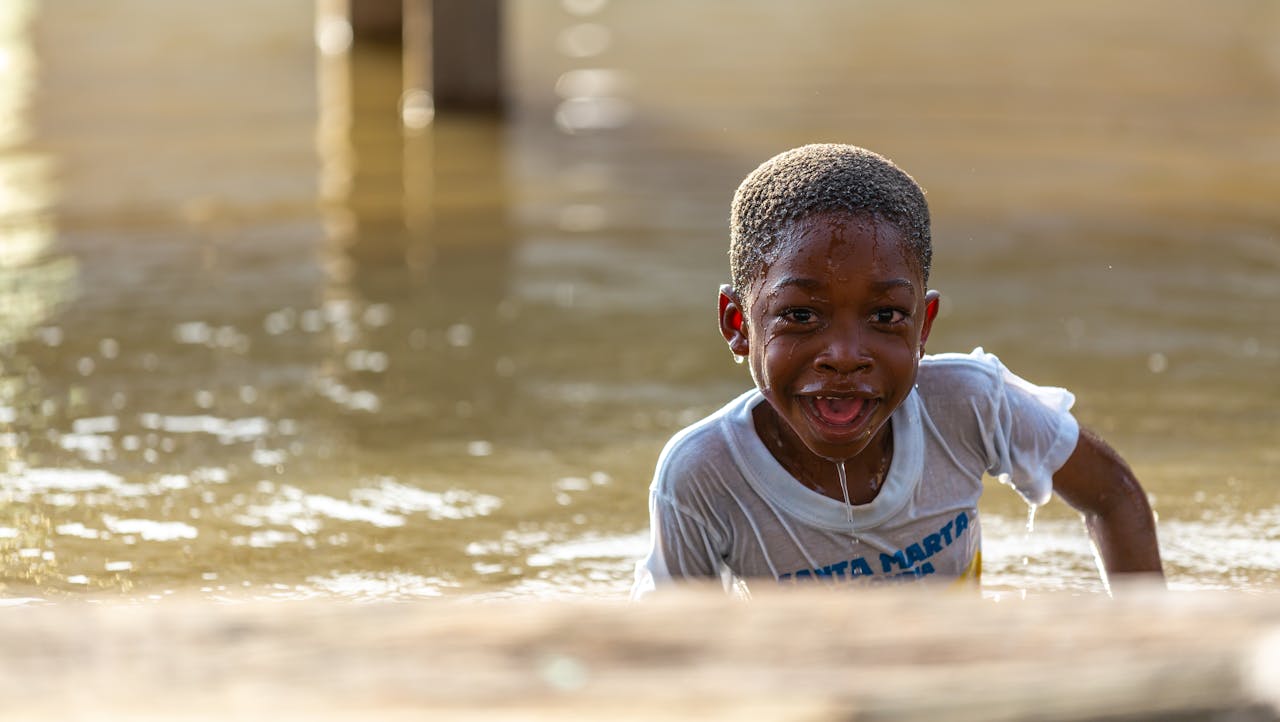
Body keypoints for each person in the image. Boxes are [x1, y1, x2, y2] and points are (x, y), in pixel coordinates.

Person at [631, 143, 1163, 598]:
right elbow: (663, 651)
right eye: (799, 315)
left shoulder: (967, 404)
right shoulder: (705, 472)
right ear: (738, 324)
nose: (843, 355)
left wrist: (1156, 666)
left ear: (922, 326)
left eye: (885, 317)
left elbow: (1113, 494)